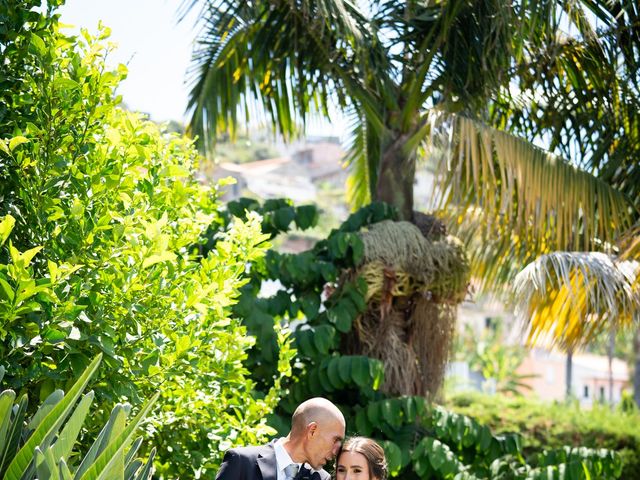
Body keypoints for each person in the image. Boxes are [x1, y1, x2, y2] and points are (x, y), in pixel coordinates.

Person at [216, 397, 346, 480]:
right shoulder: (241, 462)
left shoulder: (322, 479)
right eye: (335, 440)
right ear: (312, 431)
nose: (336, 451)